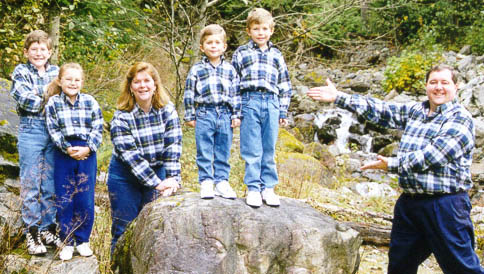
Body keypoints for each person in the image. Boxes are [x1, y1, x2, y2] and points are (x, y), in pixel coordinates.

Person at [307, 64, 484, 274]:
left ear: (456, 86)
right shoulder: (416, 110)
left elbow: (433, 156)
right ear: (426, 85)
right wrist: (339, 97)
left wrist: (391, 164)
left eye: (445, 83)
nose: (438, 88)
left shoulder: (460, 119)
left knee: (461, 268)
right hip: (410, 203)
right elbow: (381, 110)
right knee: (400, 265)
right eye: (433, 82)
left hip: (445, 206)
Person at [107, 62, 182, 253]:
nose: (143, 86)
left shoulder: (167, 110)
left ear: (155, 84)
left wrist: (172, 178)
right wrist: (157, 183)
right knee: (123, 229)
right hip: (124, 177)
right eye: (137, 82)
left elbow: (173, 145)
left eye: (147, 81)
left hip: (158, 170)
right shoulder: (122, 117)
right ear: (130, 87)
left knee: (154, 229)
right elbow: (130, 156)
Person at [232, 8, 292, 208]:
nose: (261, 32)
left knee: (269, 147)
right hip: (249, 101)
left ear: (271, 31)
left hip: (272, 102)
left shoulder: (276, 54)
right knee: (251, 148)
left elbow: (284, 84)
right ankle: (253, 188)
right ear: (249, 31)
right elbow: (233, 84)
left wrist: (283, 110)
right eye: (256, 29)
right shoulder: (241, 53)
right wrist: (236, 111)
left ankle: (269, 187)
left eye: (264, 28)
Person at [45, 63, 104, 260]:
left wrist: (89, 147)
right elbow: (53, 129)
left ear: (82, 82)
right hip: (64, 152)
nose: (73, 83)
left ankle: (82, 240)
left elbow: (98, 126)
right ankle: (67, 240)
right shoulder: (54, 103)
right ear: (60, 81)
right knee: (65, 197)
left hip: (87, 152)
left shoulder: (90, 102)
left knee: (84, 198)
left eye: (77, 80)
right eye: (68, 79)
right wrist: (66, 148)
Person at [9, 30, 61, 255]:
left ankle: (48, 228)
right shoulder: (21, 71)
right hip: (31, 130)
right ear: (26, 52)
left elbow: (66, 95)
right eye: (34, 49)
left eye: (43, 49)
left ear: (50, 52)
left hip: (54, 131)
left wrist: (48, 97)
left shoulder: (57, 71)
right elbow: (25, 100)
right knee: (31, 182)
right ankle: (31, 232)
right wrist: (50, 97)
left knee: (50, 182)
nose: (39, 53)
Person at [184, 24, 241, 200]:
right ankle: (206, 181)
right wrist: (189, 114)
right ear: (202, 47)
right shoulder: (197, 70)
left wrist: (236, 114)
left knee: (223, 148)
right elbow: (189, 93)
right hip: (204, 113)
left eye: (217, 42)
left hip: (224, 113)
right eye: (209, 42)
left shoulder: (230, 70)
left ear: (224, 47)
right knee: (204, 149)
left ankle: (222, 181)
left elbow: (236, 93)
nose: (213, 46)